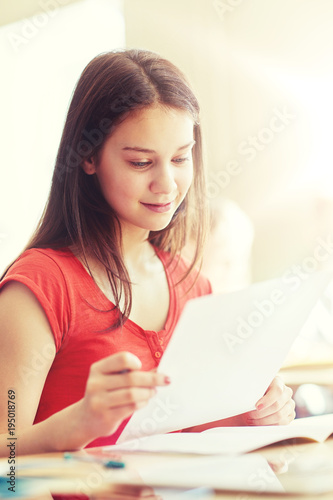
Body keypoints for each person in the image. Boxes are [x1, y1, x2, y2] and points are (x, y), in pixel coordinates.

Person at [0, 49, 295, 456]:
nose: (167, 184)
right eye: (141, 163)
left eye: (180, 158)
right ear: (88, 156)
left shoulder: (192, 285)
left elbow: (186, 438)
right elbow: (6, 453)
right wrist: (80, 422)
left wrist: (250, 415)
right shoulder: (40, 287)